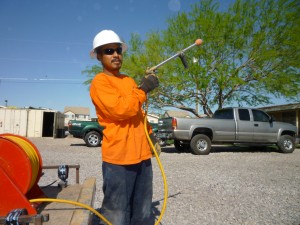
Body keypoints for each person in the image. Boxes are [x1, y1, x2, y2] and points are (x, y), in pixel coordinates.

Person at [89, 29, 159, 225]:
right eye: (109, 51)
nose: (116, 54)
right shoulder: (100, 82)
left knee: (143, 212)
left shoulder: (128, 80)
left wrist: (150, 136)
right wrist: (144, 88)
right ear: (99, 56)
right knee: (116, 214)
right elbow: (121, 110)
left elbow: (138, 113)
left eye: (118, 50)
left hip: (142, 157)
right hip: (118, 159)